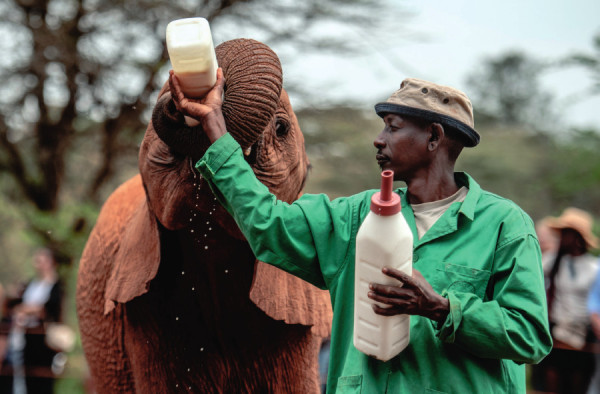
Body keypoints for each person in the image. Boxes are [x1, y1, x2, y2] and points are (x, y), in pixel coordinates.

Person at [168, 69, 552, 392]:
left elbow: (530, 335)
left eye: (393, 127)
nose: (378, 138)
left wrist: (440, 308)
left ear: (433, 138)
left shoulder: (505, 225)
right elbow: (268, 222)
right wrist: (216, 130)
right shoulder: (355, 217)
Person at [532, 208, 599, 393]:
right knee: (551, 381)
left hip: (583, 334)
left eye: (568, 234)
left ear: (579, 238)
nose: (563, 238)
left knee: (577, 384)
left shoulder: (593, 267)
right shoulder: (551, 261)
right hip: (556, 332)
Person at [0, 248, 63, 394]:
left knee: (42, 378)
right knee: (26, 377)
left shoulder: (56, 286)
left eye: (41, 260)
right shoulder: (31, 284)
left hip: (44, 340)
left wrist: (27, 309)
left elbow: (48, 309)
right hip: (26, 338)